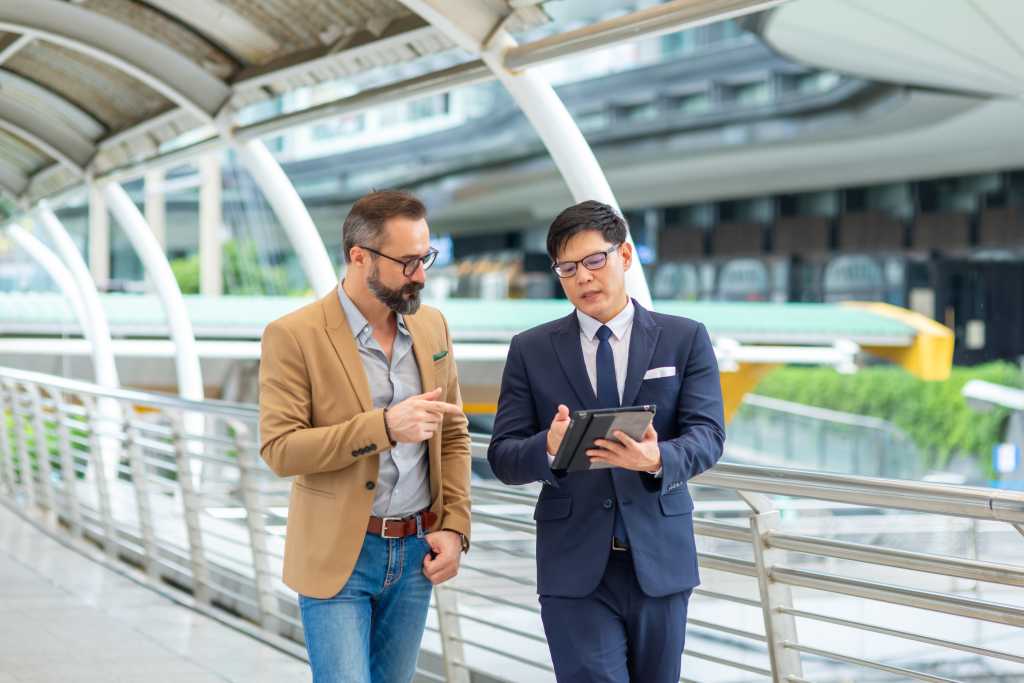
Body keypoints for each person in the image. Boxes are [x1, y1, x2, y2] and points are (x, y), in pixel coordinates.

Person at [487, 200, 725, 682]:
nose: (583, 277)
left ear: (625, 256)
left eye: (594, 260)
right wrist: (548, 447)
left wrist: (657, 458)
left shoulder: (684, 338)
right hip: (573, 566)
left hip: (659, 559)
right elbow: (503, 456)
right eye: (567, 268)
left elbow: (708, 435)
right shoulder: (530, 350)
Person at [259, 190, 471, 683]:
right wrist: (385, 427)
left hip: (416, 552)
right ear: (359, 257)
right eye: (407, 262)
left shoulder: (433, 326)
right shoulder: (294, 335)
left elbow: (453, 434)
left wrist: (455, 525)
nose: (421, 275)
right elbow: (280, 449)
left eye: (425, 258)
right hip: (339, 553)